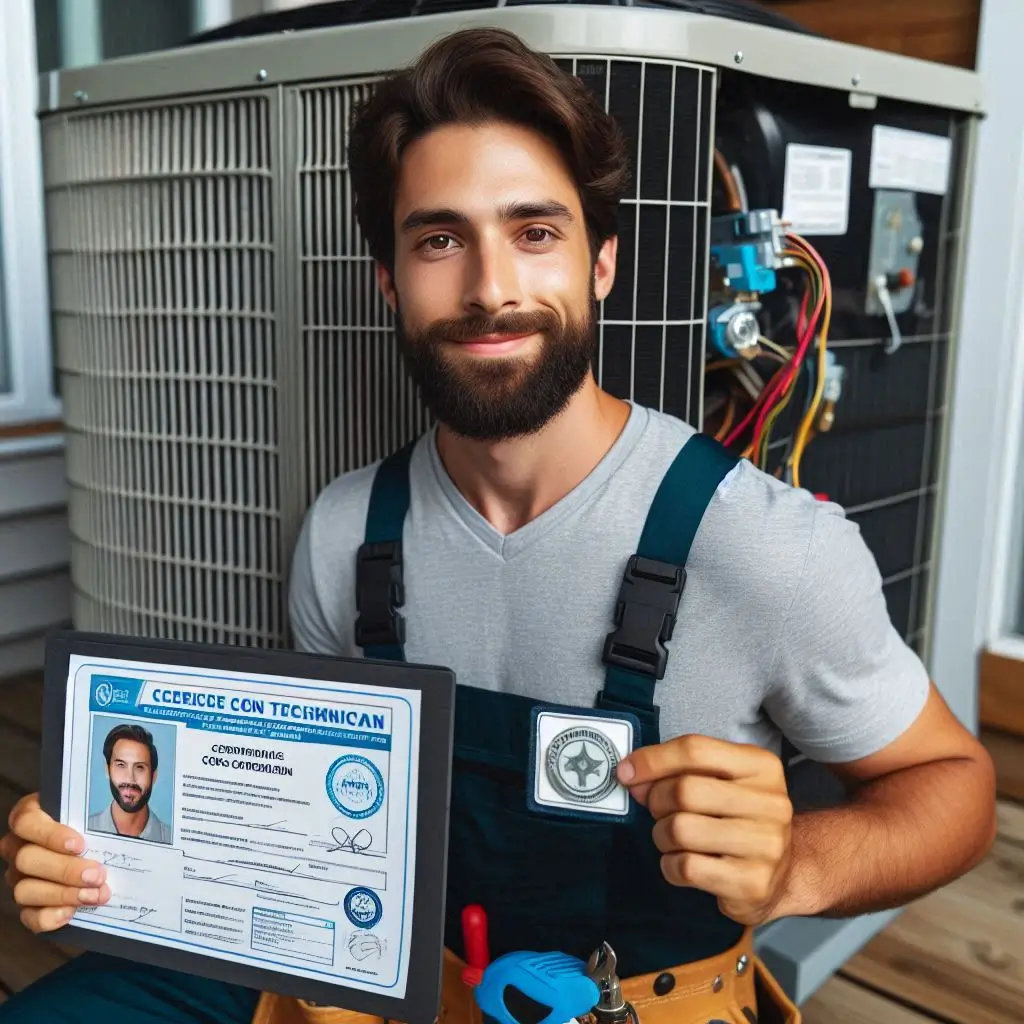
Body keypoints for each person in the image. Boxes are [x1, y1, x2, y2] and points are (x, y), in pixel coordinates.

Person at [0, 25, 997, 1024]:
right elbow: (312, 837)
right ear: (387, 281)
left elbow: (952, 785)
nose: (490, 289)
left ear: (600, 263)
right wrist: (105, 856)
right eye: (440, 239)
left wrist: (797, 863)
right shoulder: (345, 533)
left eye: (534, 232)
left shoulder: (762, 545)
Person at [86, 723, 172, 845]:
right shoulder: (82, 829)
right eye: (121, 765)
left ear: (154, 776)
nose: (130, 778)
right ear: (107, 769)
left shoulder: (171, 839)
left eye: (140, 767)